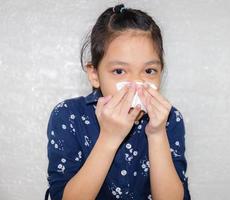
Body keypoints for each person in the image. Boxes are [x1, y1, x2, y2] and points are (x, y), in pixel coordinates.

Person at [46, 3, 191, 200]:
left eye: (149, 71)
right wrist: (109, 138)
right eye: (119, 71)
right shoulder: (68, 116)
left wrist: (157, 134)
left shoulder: (169, 119)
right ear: (95, 74)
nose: (136, 85)